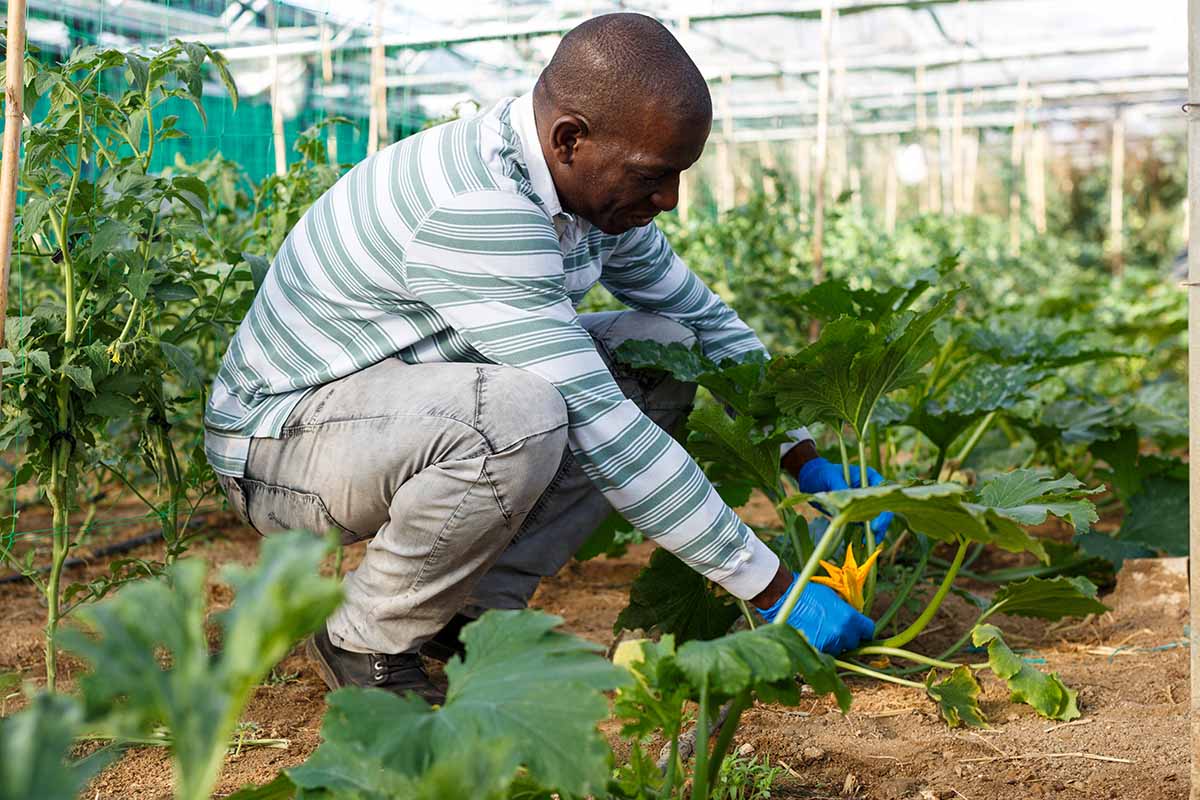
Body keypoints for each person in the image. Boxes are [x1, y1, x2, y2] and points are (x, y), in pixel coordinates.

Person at [204, 13, 888, 704]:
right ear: (570, 140)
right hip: (281, 446)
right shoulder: (480, 204)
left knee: (665, 352)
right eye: (656, 176)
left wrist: (807, 462)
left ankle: (466, 614)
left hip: (392, 409)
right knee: (517, 417)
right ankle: (366, 637)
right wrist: (775, 589)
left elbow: (701, 321)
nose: (670, 200)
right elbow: (598, 420)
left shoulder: (592, 197)